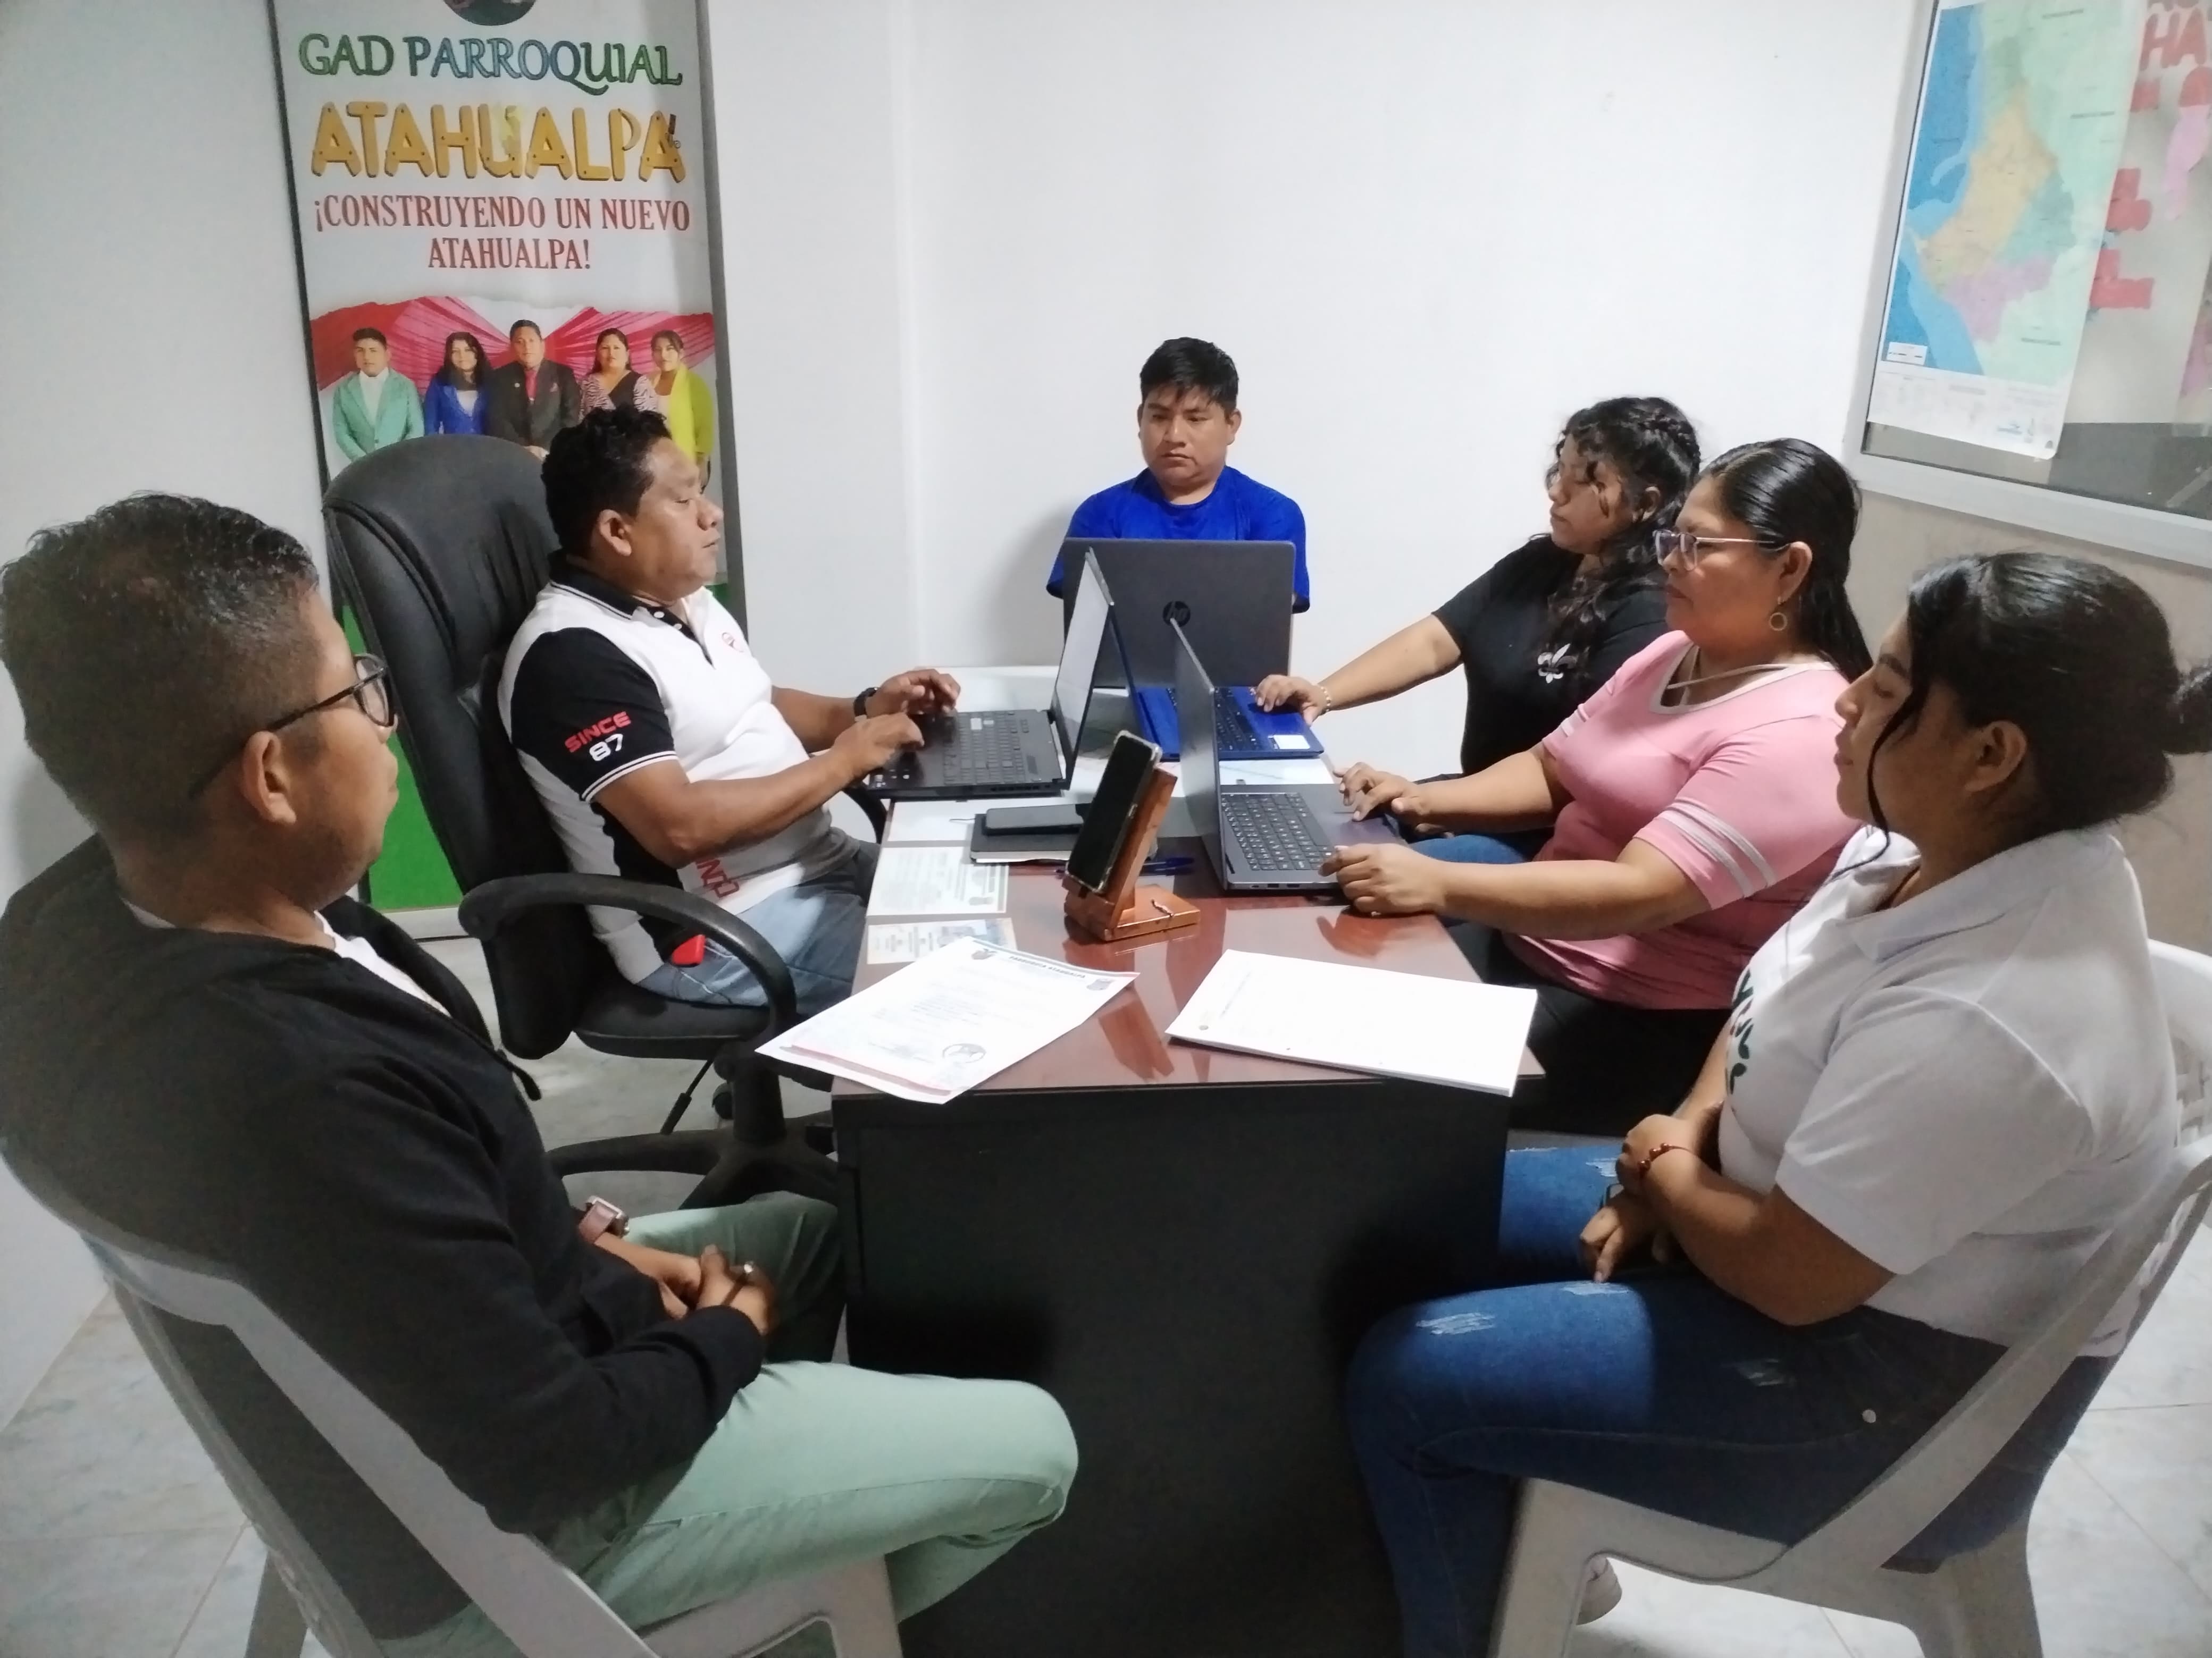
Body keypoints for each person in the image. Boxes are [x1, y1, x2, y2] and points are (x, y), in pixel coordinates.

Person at [0, 494, 1077, 1656]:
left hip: (487, 1348)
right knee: (1034, 1446)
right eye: (355, 692)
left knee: (828, 1234)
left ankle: (803, 1541)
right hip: (509, 1542)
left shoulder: (90, 922)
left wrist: (590, 1244)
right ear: (270, 775)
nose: (384, 721)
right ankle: (782, 1619)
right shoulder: (300, 1090)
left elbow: (397, 1241)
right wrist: (726, 1338)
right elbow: (554, 1448)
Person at [1344, 549, 2199, 1658]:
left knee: (1414, 1375)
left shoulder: (1998, 1009)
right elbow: (1765, 1005)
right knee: (1396, 1217)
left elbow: (1792, 1276)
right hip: (1759, 1212)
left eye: (1889, 684)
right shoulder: (1921, 844)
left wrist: (1665, 1174)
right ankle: (1474, 1555)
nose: (1847, 698)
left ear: (1992, 753)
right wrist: (1684, 1140)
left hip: (1880, 1390)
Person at [1325, 439, 1871, 1133]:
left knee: (1355, 1084)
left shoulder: (1803, 728)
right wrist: (1420, 798)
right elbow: (1552, 766)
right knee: (1327, 981)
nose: (1669, 559)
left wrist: (1437, 882)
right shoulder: (1675, 651)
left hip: (1628, 1017)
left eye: (1699, 545)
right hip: (1530, 945)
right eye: (1673, 537)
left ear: (1789, 568)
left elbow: (1638, 892)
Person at [501, 407, 954, 1017]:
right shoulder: (573, 655)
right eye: (683, 499)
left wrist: (863, 708)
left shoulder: (682, 598)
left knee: (999, 907)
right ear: (616, 530)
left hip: (816, 859)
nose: (711, 513)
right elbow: (678, 830)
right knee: (962, 983)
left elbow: (751, 704)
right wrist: (845, 761)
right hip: (720, 924)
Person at [1256, 397, 1696, 864]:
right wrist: (1323, 695)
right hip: (1473, 803)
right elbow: (1435, 640)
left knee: (1357, 872)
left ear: (1645, 504)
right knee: (1320, 829)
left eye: (1586, 481)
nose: (1556, 492)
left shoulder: (1650, 612)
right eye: (1560, 470)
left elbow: (1568, 778)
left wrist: (1432, 803)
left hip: (1549, 838)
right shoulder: (1543, 562)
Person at [1045, 336, 1310, 610]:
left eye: (1195, 419)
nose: (1174, 436)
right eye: (1159, 417)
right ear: (1140, 419)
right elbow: (1089, 629)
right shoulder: (1100, 515)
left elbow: (1267, 627)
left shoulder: (1271, 516)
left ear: (1231, 425)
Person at [485, 318, 581, 457]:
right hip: (513, 453)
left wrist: (545, 448)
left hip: (554, 453)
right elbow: (497, 418)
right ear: (512, 347)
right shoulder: (500, 376)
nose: (527, 347)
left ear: (542, 345)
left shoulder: (563, 374)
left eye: (531, 341)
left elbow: (571, 416)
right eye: (520, 342)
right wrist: (523, 449)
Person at [330, 326, 423, 461]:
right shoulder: (343, 389)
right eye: (360, 351)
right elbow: (342, 433)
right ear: (355, 355)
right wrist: (365, 462)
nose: (367, 357)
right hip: (363, 467)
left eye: (373, 351)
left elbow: (416, 428)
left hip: (402, 464)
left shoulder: (406, 386)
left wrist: (399, 458)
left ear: (387, 355)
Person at [647, 328, 715, 483]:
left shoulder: (694, 383)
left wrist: (702, 461)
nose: (663, 355)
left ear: (681, 353)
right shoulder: (648, 382)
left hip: (687, 462)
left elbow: (705, 427)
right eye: (658, 350)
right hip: (657, 465)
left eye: (670, 349)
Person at [421, 330, 491, 436]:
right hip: (453, 445)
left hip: (489, 445)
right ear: (449, 356)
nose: (462, 356)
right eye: (455, 351)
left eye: (468, 350)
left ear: (477, 353)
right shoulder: (439, 382)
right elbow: (430, 424)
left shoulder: (492, 380)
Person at [580, 327, 641, 415]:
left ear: (627, 354)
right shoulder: (586, 384)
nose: (611, 353)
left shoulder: (640, 383)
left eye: (616, 348)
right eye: (605, 348)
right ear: (597, 354)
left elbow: (649, 420)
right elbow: (578, 418)